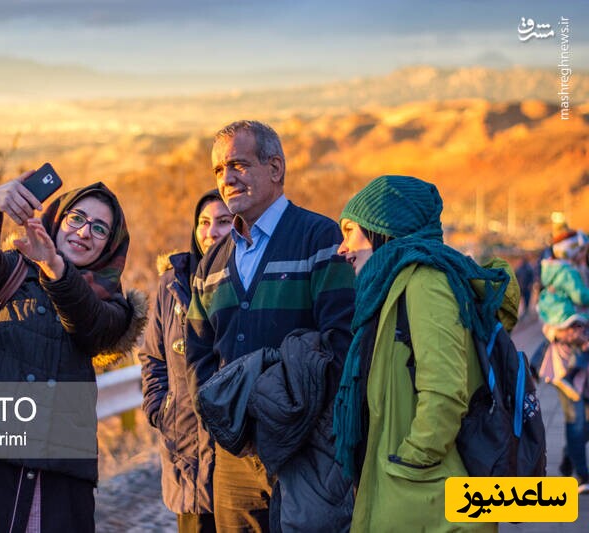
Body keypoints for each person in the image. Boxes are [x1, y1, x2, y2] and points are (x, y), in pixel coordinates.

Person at [185, 120, 355, 531]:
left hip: (306, 451)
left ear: (275, 168)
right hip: (235, 460)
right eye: (218, 171)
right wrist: (226, 416)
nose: (226, 179)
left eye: (238, 165)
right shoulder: (211, 262)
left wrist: (286, 410)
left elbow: (340, 341)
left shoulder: (319, 237)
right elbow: (197, 352)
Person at [0, 174, 146, 532]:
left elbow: (90, 326)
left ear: (111, 246)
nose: (85, 232)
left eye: (100, 229)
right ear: (58, 218)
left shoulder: (112, 306)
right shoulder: (8, 272)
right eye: (77, 218)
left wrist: (54, 267)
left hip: (62, 471)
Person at [333, 175, 507, 532]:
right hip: (409, 494)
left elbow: (444, 390)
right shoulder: (390, 286)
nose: (342, 248)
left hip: (428, 498)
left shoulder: (425, 281)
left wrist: (413, 461)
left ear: (384, 230)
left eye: (350, 232)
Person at [139, 190, 232, 532]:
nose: (211, 232)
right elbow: (152, 356)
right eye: (204, 223)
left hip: (238, 457)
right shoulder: (172, 285)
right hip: (187, 456)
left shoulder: (252, 281)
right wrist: (159, 408)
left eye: (223, 222)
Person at [537, 228, 589, 491]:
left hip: (578, 356)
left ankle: (571, 461)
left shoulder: (553, 271)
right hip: (565, 359)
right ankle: (582, 474)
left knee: (582, 420)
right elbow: (549, 323)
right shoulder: (569, 273)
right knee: (576, 418)